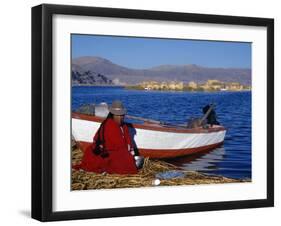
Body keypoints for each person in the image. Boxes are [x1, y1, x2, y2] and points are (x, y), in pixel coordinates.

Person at [73, 100, 138, 174]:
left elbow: (128, 141)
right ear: (113, 115)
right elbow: (103, 141)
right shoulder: (109, 125)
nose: (120, 117)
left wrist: (131, 152)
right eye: (117, 115)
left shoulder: (124, 126)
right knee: (124, 161)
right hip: (106, 152)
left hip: (116, 151)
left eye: (122, 115)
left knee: (127, 158)